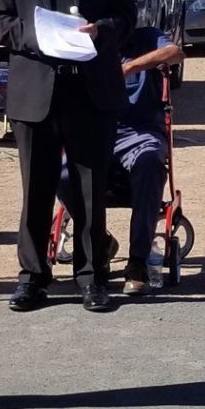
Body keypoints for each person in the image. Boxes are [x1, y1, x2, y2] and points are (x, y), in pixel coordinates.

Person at [0, 0, 137, 313]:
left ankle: (93, 278)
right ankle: (33, 278)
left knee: (91, 190)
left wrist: (101, 32)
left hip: (90, 90)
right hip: (36, 92)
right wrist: (42, 38)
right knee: (36, 188)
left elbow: (127, 15)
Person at [59, 26, 182, 297]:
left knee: (150, 161)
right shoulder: (84, 43)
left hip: (139, 131)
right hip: (94, 129)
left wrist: (130, 68)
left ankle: (137, 261)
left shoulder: (145, 37)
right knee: (63, 174)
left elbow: (175, 53)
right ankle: (100, 242)